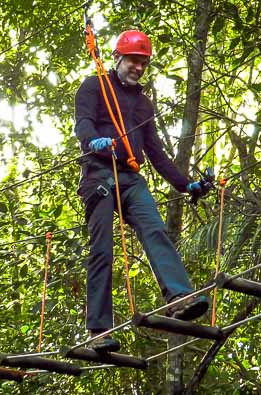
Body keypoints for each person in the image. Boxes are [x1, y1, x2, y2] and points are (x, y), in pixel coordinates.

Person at [73, 30, 210, 353]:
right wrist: (92, 141)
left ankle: (179, 297)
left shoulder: (143, 104)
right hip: (99, 174)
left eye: (143, 63)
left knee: (155, 229)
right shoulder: (94, 86)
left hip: (132, 178)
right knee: (102, 250)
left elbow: (156, 152)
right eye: (133, 60)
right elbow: (83, 123)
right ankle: (98, 330)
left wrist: (185, 183)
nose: (138, 67)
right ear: (118, 58)